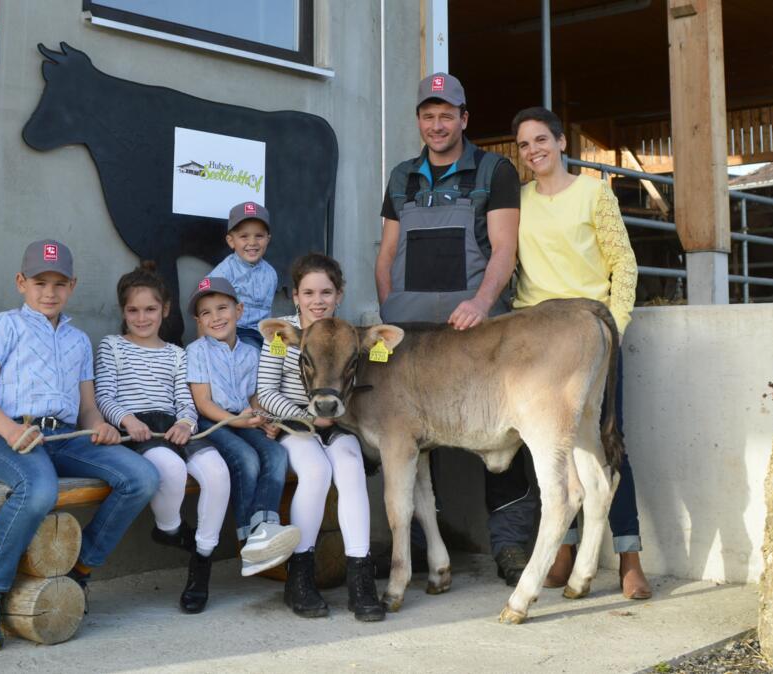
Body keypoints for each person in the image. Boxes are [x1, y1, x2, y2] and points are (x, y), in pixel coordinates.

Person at [375, 71, 535, 585]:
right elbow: (386, 254)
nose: (437, 124)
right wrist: (389, 309)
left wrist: (482, 304)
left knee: (504, 432)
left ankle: (510, 546)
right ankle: (424, 547)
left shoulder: (495, 170)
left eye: (447, 115)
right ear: (419, 120)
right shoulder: (401, 176)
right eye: (428, 115)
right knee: (415, 440)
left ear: (464, 119)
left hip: (478, 332)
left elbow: (505, 248)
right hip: (412, 332)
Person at [0, 239, 160, 652]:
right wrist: (12, 432)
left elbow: (87, 410)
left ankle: (80, 568)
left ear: (72, 285)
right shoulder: (5, 325)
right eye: (39, 282)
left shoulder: (78, 341)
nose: (49, 292)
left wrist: (99, 427)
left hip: (64, 437)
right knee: (39, 488)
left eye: (59, 283)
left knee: (141, 476)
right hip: (7, 437)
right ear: (21, 282)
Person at [510, 105, 651, 600]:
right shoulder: (518, 202)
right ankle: (563, 551)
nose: (534, 151)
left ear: (561, 142)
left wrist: (616, 328)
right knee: (546, 445)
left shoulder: (594, 194)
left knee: (607, 441)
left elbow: (624, 266)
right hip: (536, 337)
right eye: (524, 145)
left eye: (541, 140)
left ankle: (629, 557)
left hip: (591, 333)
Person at [95, 264, 232, 614]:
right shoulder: (112, 347)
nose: (142, 318)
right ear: (123, 312)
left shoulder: (175, 353)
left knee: (217, 472)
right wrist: (127, 419)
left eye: (150, 309)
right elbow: (105, 396)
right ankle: (169, 529)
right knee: (170, 468)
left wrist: (187, 422)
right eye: (133, 310)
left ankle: (202, 561)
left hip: (173, 425)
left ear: (165, 310)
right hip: (137, 430)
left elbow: (185, 400)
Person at [256, 253, 385, 622]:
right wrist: (307, 415)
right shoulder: (283, 334)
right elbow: (265, 392)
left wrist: (334, 416)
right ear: (295, 296)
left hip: (338, 425)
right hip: (296, 427)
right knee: (314, 471)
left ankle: (361, 579)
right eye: (308, 292)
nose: (318, 300)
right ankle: (299, 578)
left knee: (350, 467)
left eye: (326, 292)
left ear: (339, 295)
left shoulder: (346, 334)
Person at [185, 275, 301, 576]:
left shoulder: (252, 352)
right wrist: (237, 419)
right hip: (214, 423)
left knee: (276, 454)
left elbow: (254, 395)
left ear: (239, 310)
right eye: (206, 313)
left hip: (244, 418)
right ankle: (248, 541)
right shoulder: (197, 351)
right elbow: (203, 403)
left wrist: (267, 420)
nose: (215, 318)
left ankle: (265, 530)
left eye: (222, 308)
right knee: (247, 459)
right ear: (199, 321)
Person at [209, 201, 278, 350]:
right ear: (231, 241)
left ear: (268, 239)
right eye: (244, 236)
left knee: (285, 353)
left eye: (259, 236)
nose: (252, 242)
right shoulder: (224, 272)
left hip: (265, 333)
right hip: (238, 332)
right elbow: (206, 303)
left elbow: (268, 311)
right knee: (252, 351)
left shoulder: (271, 273)